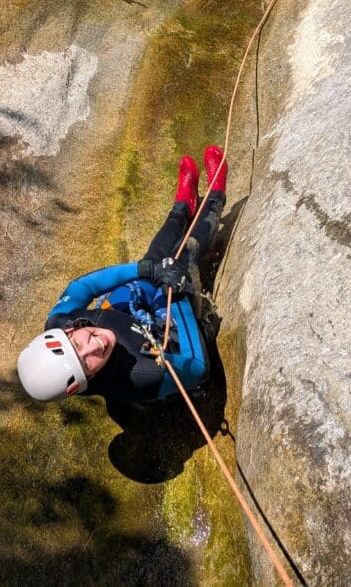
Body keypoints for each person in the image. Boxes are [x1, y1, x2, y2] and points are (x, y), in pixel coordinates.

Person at [17, 145, 228, 403]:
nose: (95, 347)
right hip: (164, 337)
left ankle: (182, 208)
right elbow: (196, 366)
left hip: (129, 311)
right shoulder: (141, 375)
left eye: (78, 345)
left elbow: (83, 287)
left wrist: (147, 269)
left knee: (156, 261)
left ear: (69, 332)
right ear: (89, 380)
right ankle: (215, 196)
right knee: (182, 259)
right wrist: (178, 292)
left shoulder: (59, 321)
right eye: (87, 364)